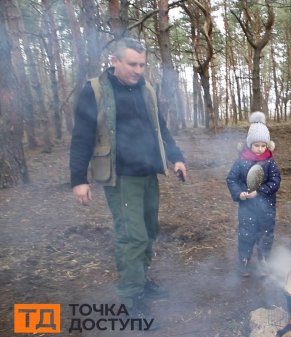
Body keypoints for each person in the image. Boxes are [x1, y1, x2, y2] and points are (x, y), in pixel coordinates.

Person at [69, 37, 187, 318]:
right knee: (131, 237)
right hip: (121, 178)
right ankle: (130, 299)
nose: (138, 70)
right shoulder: (95, 91)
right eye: (132, 64)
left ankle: (141, 282)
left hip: (148, 173)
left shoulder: (145, 88)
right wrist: (78, 179)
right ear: (115, 62)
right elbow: (81, 136)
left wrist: (177, 157)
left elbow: (160, 127)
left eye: (142, 65)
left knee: (148, 231)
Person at [226, 111, 281, 277]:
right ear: (250, 144)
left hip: (267, 208)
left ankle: (264, 260)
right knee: (246, 234)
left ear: (267, 145)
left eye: (263, 145)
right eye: (256, 145)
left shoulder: (270, 162)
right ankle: (244, 260)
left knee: (266, 234)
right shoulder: (241, 161)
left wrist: (261, 191)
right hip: (247, 208)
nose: (260, 149)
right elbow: (232, 179)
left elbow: (275, 181)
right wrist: (240, 193)